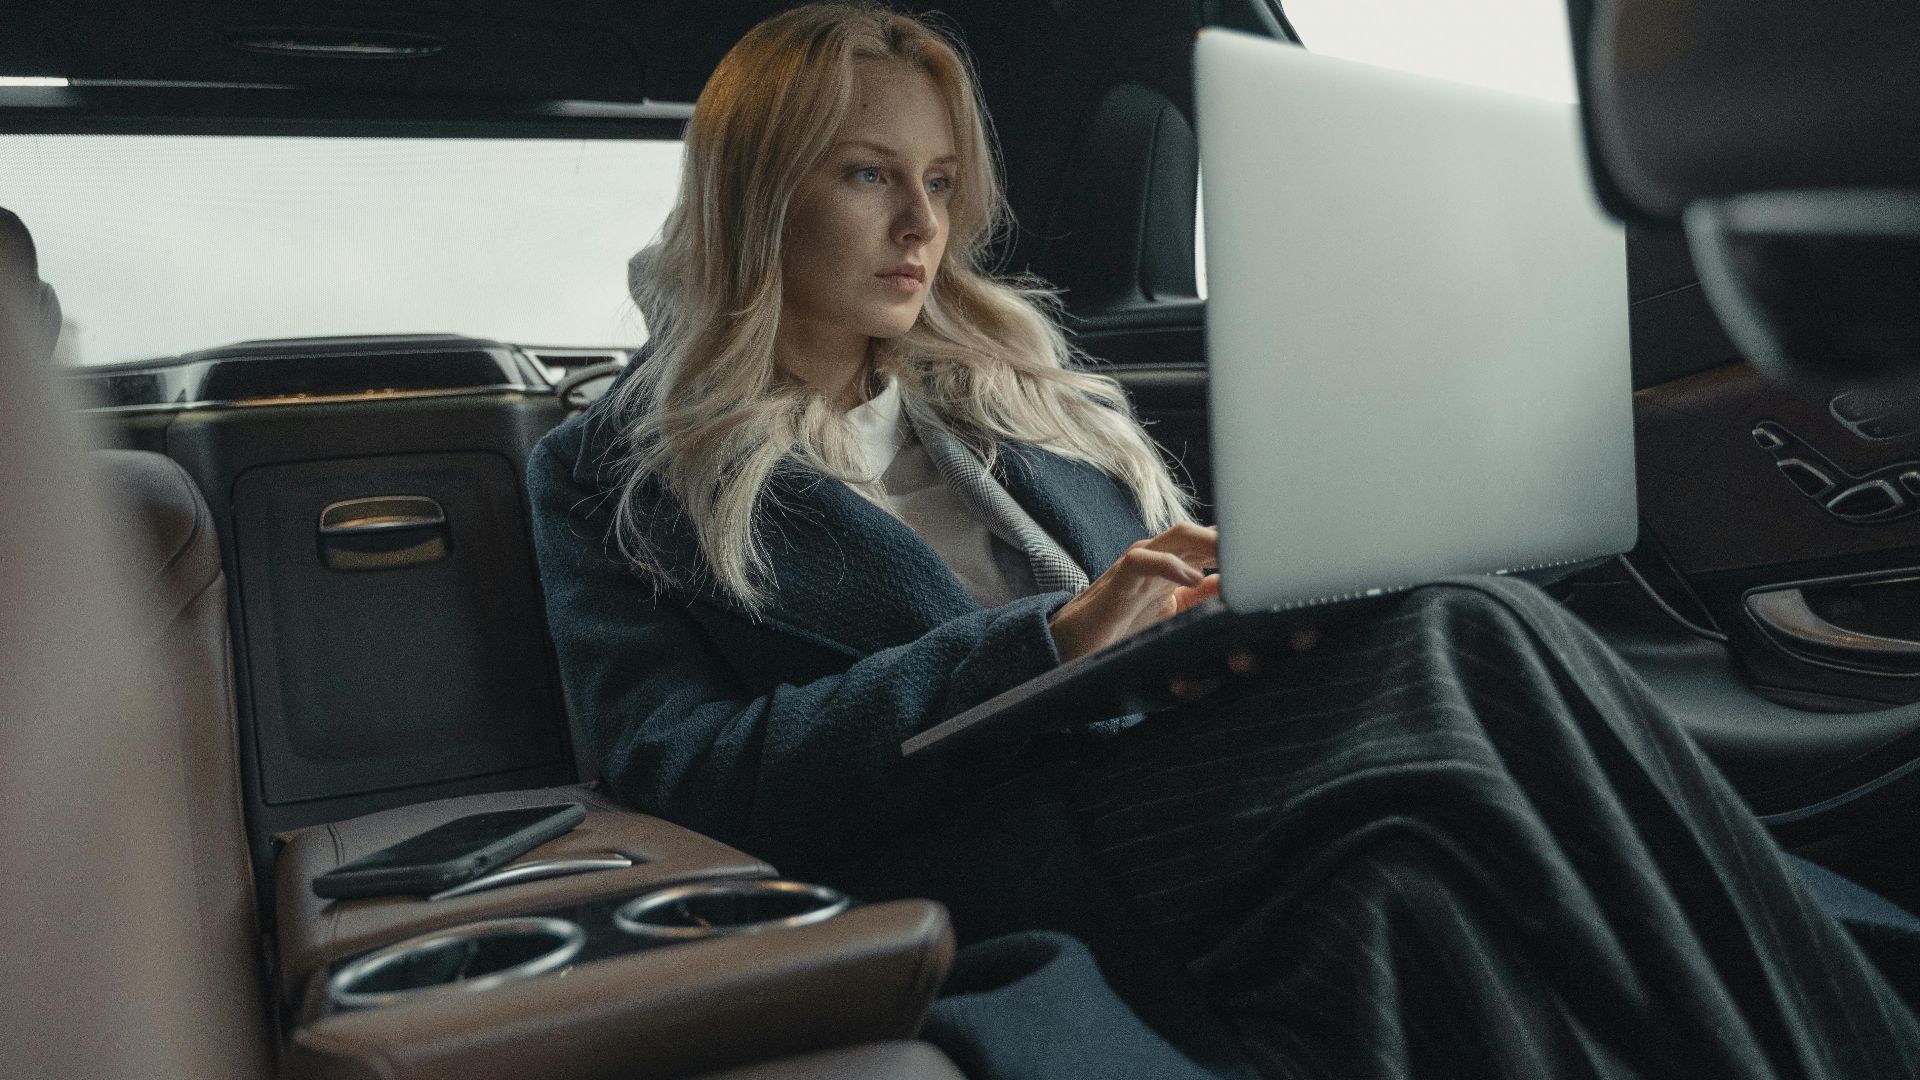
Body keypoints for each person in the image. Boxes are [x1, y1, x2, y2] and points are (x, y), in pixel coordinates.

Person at [528, 4, 1920, 1075]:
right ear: (757, 190)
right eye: (865, 174)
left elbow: (1144, 602)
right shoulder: (618, 464)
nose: (921, 224)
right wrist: (1044, 647)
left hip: (1169, 757)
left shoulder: (1016, 394)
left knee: (1406, 874)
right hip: (982, 831)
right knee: (1470, 638)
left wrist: (1203, 619)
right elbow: (679, 778)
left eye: (942, 180)